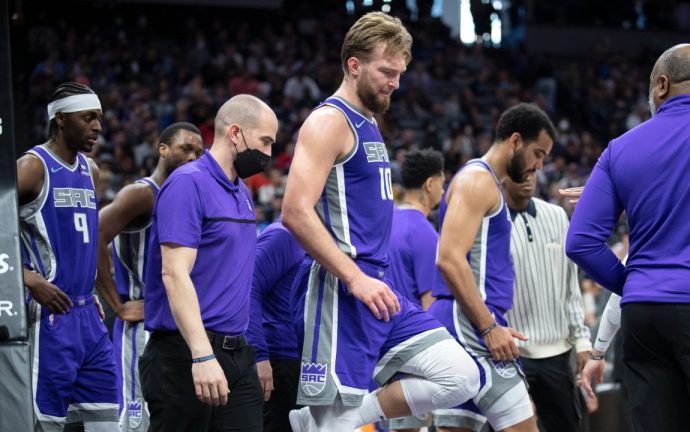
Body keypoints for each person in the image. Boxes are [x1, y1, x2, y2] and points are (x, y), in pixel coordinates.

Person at [282, 12, 479, 432]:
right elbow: (295, 210)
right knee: (334, 424)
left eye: (400, 73)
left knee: (462, 375)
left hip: (378, 287)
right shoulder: (327, 121)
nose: (396, 83)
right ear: (354, 65)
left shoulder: (369, 121)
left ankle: (338, 420)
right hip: (339, 291)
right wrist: (354, 279)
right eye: (387, 72)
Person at [565, 43, 690, 432]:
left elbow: (581, 242)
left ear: (661, 85)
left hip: (645, 319)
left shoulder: (618, 149)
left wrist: (637, 283)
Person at [139, 94, 277, 431]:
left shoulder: (242, 191)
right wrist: (202, 355)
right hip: (185, 353)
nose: (269, 154)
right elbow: (174, 273)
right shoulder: (188, 183)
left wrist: (255, 354)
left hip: (237, 352)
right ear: (235, 133)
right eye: (265, 141)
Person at [431, 103, 555, 432]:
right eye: (538, 153)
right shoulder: (477, 181)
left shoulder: (486, 183)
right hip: (470, 324)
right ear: (515, 140)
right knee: (524, 421)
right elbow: (448, 258)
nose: (539, 166)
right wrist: (488, 327)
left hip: (473, 320)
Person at [18, 82, 119, 431]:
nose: (98, 127)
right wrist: (27, 278)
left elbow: (89, 241)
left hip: (88, 316)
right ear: (60, 120)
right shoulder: (33, 167)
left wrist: (95, 294)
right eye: (88, 118)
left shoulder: (90, 170)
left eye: (100, 119)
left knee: (107, 422)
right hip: (50, 317)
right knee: (46, 424)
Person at [94, 122, 204, 431]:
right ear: (163, 149)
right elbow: (95, 233)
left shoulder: (185, 196)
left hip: (177, 325)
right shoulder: (142, 194)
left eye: (199, 151)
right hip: (141, 326)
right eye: (186, 148)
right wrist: (117, 306)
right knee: (137, 421)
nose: (193, 157)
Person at [503, 173, 591, 432]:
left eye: (531, 171)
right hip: (511, 353)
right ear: (503, 176)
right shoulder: (489, 221)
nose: (527, 179)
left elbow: (570, 285)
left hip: (558, 351)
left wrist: (582, 339)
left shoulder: (556, 215)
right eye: (519, 172)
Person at [385, 148, 445, 432]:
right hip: (410, 352)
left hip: (378, 346)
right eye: (443, 184)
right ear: (430, 185)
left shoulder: (383, 224)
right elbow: (429, 306)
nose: (443, 192)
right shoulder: (424, 232)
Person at [245, 219, 306, 432]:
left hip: (307, 362)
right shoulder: (283, 235)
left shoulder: (316, 237)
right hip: (280, 361)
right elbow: (247, 288)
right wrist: (259, 356)